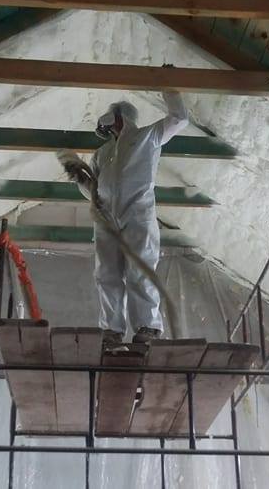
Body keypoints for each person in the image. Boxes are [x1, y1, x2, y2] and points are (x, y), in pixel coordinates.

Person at [62, 88, 189, 345]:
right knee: (107, 274)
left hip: (137, 215)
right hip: (106, 219)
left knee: (140, 271)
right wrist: (80, 179)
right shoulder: (102, 153)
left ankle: (147, 328)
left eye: (112, 119)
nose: (108, 127)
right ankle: (112, 331)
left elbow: (179, 119)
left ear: (121, 117)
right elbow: (96, 192)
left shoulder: (147, 137)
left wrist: (169, 88)